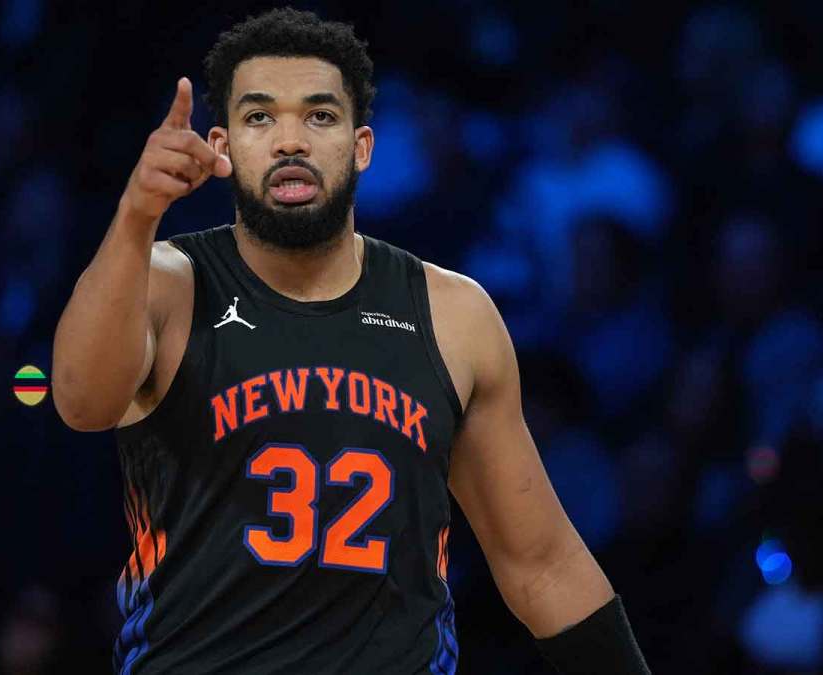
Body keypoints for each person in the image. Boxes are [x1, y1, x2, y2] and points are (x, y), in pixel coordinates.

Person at [51, 8, 650, 674]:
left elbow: (542, 566)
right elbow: (81, 400)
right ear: (221, 146)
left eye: (319, 116)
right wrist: (136, 215)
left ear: (362, 146)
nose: (289, 141)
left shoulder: (455, 314)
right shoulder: (167, 282)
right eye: (259, 117)